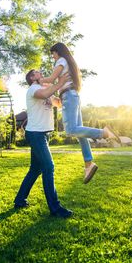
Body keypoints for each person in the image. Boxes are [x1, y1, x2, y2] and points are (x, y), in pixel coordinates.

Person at [39, 42, 120, 184]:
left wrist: (39, 80)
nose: (53, 57)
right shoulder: (69, 62)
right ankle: (88, 164)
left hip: (69, 97)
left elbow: (51, 79)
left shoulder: (61, 60)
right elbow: (54, 83)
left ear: (58, 52)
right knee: (80, 134)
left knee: (70, 130)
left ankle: (105, 133)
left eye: (53, 54)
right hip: (72, 96)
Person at [14, 69, 73, 218]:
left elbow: (58, 103)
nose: (42, 74)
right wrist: (59, 82)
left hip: (43, 133)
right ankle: (55, 208)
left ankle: (20, 200)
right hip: (35, 134)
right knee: (48, 167)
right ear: (32, 78)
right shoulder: (33, 89)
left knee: (35, 170)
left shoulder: (46, 90)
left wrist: (67, 90)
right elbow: (45, 95)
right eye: (38, 73)